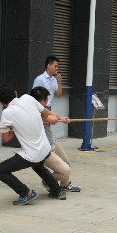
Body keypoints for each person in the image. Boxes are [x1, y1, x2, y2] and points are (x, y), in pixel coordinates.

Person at [0, 85, 67, 205]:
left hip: (32, 154)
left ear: (0, 102)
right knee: (38, 165)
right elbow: (46, 112)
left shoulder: (7, 113)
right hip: (45, 149)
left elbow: (5, 139)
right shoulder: (28, 98)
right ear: (16, 93)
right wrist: (58, 118)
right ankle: (57, 191)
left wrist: (13, 128)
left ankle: (26, 193)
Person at [31, 56, 78, 191]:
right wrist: (50, 117)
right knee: (46, 132)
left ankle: (64, 184)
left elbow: (59, 94)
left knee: (65, 161)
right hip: (42, 110)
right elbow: (34, 99)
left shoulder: (54, 80)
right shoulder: (40, 79)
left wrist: (60, 83)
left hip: (48, 109)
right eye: (55, 66)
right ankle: (49, 180)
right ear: (48, 66)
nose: (57, 68)